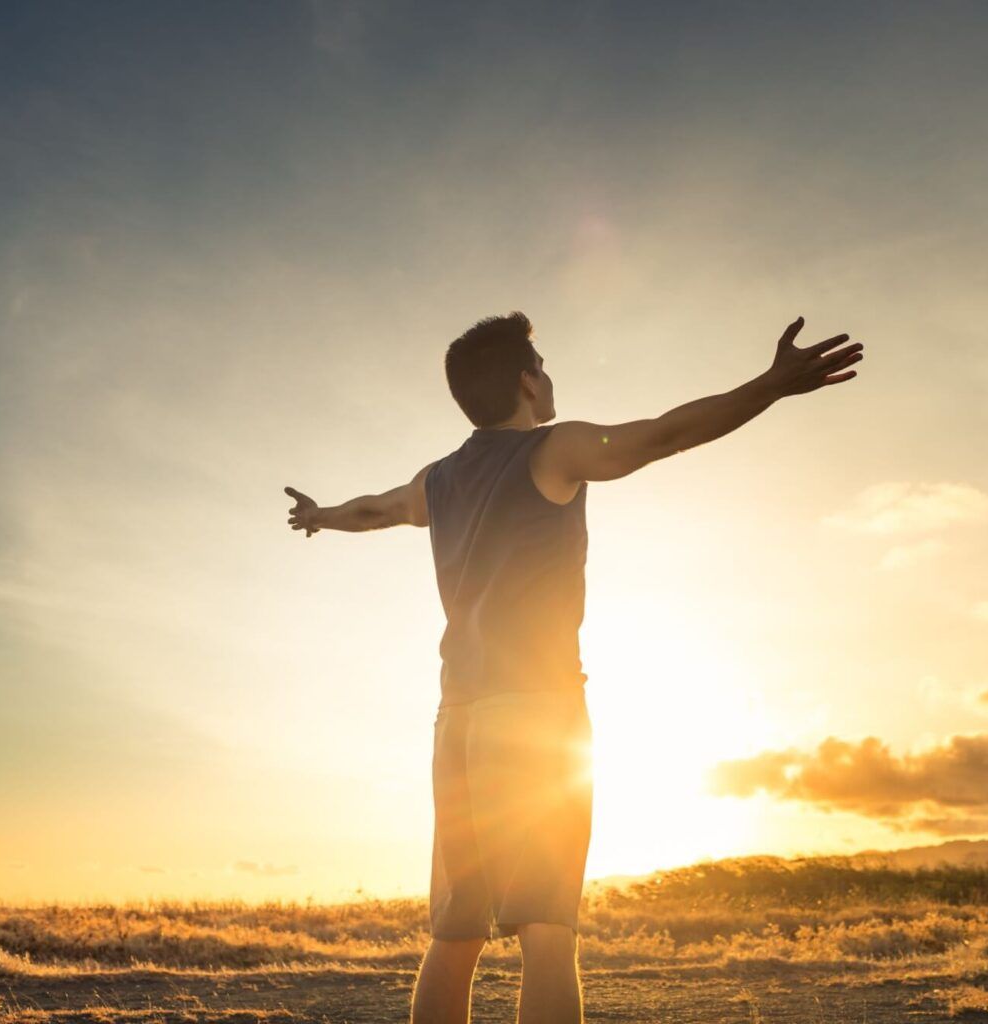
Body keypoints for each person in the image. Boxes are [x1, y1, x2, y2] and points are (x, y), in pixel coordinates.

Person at [282, 312, 861, 1023]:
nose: (549, 376)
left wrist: (321, 516)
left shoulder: (437, 481)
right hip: (536, 713)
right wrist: (770, 385)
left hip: (456, 720)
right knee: (547, 931)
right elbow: (666, 434)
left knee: (455, 934)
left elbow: (375, 511)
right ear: (528, 381)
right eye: (543, 365)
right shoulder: (555, 450)